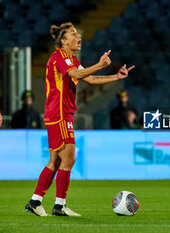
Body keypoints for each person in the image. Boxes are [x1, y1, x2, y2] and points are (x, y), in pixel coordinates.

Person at [25, 22, 134, 217]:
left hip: (60, 114)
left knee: (56, 162)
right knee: (69, 159)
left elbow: (90, 79)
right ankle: (59, 206)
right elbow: (76, 74)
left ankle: (35, 201)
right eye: (73, 34)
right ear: (64, 40)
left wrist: (115, 77)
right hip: (59, 114)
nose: (78, 36)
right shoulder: (58, 57)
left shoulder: (71, 59)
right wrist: (100, 64)